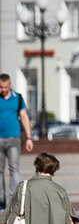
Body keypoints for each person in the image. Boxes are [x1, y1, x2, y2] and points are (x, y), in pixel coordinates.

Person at [0, 74, 34, 211]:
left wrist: (29, 138)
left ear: (10, 85)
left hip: (14, 138)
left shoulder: (18, 98)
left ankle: (13, 201)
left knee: (14, 170)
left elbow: (24, 117)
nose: (3, 90)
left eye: (5, 87)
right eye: (1, 87)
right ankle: (1, 202)